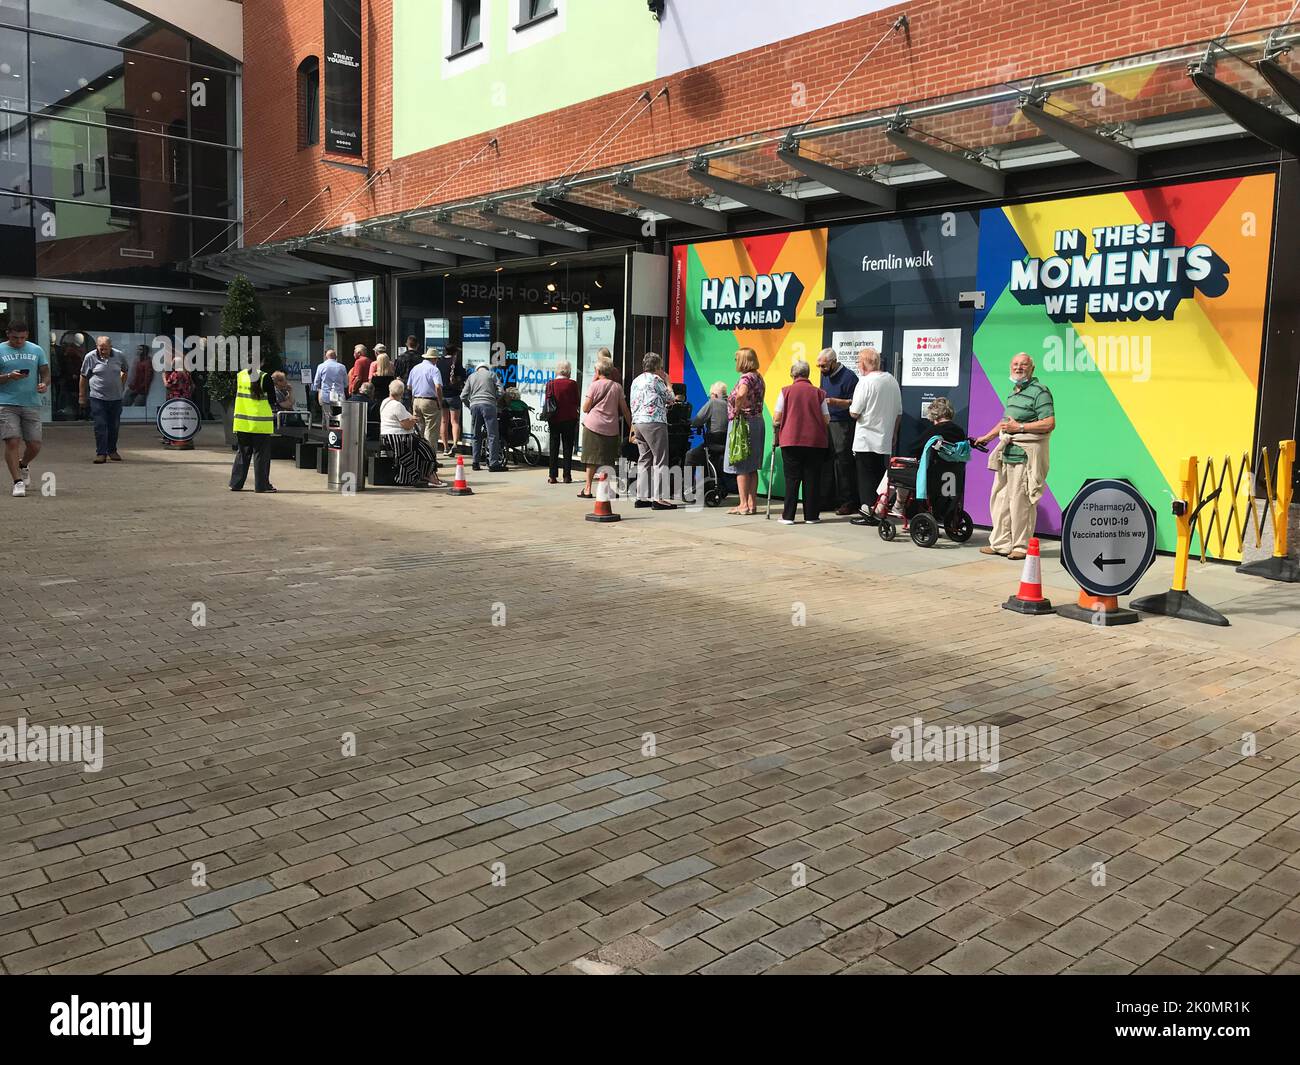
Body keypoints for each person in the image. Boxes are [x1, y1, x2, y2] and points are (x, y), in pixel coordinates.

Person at [974, 352, 1055, 560]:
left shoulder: (1040, 391)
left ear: (1032, 369)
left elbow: (1049, 423)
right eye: (1015, 364)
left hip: (1025, 458)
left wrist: (1019, 427)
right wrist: (988, 437)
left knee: (1021, 504)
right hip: (1007, 455)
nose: (1018, 368)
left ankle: (1020, 546)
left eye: (1024, 365)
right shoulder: (1014, 393)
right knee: (1001, 501)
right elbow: (1004, 424)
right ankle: (1000, 543)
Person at [884, 397, 968, 521]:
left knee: (896, 470)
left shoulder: (936, 430)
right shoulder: (959, 431)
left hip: (932, 475)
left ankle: (891, 505)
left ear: (934, 414)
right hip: (951, 476)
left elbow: (914, 447)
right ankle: (894, 505)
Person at [847, 347, 902, 526]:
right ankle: (880, 510)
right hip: (884, 438)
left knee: (865, 478)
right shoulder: (892, 380)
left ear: (863, 364)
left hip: (865, 439)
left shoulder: (865, 382)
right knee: (880, 476)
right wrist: (893, 434)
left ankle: (867, 512)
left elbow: (855, 412)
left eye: (858, 362)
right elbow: (899, 412)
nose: (857, 365)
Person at [772, 359, 830, 525]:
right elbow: (827, 419)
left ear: (793, 374)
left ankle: (788, 516)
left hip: (791, 440)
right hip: (815, 442)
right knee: (812, 479)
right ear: (808, 374)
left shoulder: (785, 391)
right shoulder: (820, 393)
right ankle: (811, 516)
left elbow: (777, 417)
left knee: (792, 478)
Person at [0, 321, 50, 498]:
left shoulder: (36, 350)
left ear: (27, 335)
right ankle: (17, 482)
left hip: (31, 402)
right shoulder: (0, 350)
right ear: (8, 334)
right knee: (12, 441)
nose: (19, 341)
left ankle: (23, 464)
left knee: (35, 444)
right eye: (15, 338)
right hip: (6, 403)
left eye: (22, 338)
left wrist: (44, 383)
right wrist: (8, 376)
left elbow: (45, 371)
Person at [628, 352, 678, 510]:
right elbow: (670, 399)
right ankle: (659, 498)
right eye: (661, 367)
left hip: (638, 422)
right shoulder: (656, 379)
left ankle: (642, 497)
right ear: (657, 367)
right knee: (660, 458)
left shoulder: (636, 380)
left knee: (645, 458)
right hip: (654, 421)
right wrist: (669, 383)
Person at [579, 356, 631, 499]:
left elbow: (585, 408)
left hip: (593, 426)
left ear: (598, 370)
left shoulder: (594, 385)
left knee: (591, 459)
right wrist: (631, 426)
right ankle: (606, 489)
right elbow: (625, 410)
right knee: (608, 460)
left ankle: (588, 489)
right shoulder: (617, 387)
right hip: (611, 428)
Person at [816, 348, 860, 515]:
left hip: (842, 423)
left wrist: (835, 402)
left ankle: (848, 501)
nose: (821, 369)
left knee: (843, 462)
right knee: (827, 461)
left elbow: (854, 402)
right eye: (819, 366)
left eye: (824, 366)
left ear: (834, 362)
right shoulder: (825, 376)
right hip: (827, 421)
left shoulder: (849, 378)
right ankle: (827, 499)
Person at [724, 347, 766, 516]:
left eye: (737, 359)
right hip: (757, 422)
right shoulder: (758, 377)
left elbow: (741, 394)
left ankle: (742, 505)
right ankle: (752, 503)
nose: (735, 362)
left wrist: (736, 409)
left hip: (744, 424)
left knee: (741, 464)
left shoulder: (746, 378)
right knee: (752, 467)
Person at [381, 378, 443, 488]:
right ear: (402, 392)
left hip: (387, 436)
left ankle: (425, 475)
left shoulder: (385, 402)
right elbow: (406, 425)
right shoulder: (397, 405)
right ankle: (429, 475)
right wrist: (414, 420)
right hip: (398, 437)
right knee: (426, 449)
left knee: (421, 447)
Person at [78, 336, 128, 464]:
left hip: (116, 398)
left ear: (111, 347)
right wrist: (82, 396)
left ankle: (112, 450)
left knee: (114, 426)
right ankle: (101, 453)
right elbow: (83, 376)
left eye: (106, 349)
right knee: (100, 425)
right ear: (97, 347)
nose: (103, 352)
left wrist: (120, 385)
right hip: (97, 397)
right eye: (101, 349)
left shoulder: (119, 356)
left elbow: (125, 371)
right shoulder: (90, 357)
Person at [229, 361, 276, 493]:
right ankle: (262, 486)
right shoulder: (265, 377)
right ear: (261, 362)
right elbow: (272, 400)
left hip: (242, 422)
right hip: (260, 424)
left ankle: (235, 484)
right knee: (261, 455)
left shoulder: (240, 376)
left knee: (242, 453)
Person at [405, 348, 446, 487]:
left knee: (418, 433)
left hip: (416, 400)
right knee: (431, 433)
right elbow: (438, 386)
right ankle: (429, 466)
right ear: (434, 359)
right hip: (430, 400)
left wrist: (412, 402)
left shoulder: (415, 368)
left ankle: (418, 462)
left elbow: (409, 387)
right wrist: (440, 402)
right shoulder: (434, 370)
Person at [462, 361, 504, 471]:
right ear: (487, 368)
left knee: (476, 434)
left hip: (475, 406)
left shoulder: (471, 377)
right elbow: (501, 390)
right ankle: (493, 463)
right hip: (489, 405)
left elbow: (463, 396)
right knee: (493, 434)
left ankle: (475, 462)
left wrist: (469, 406)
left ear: (478, 369)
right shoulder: (492, 374)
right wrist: (495, 399)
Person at [543, 359, 580, 484]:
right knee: (568, 447)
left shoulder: (550, 383)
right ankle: (567, 476)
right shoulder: (572, 384)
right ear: (568, 371)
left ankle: (552, 476)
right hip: (569, 418)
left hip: (554, 418)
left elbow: (547, 401)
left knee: (554, 446)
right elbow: (576, 401)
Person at [436, 344, 466, 455]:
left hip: (442, 394)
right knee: (455, 421)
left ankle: (445, 447)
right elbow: (463, 376)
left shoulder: (439, 362)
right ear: (455, 352)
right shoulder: (455, 363)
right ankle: (454, 444)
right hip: (453, 394)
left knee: (444, 421)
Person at [312, 348, 349, 414]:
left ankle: (327, 423)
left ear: (326, 357)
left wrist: (317, 389)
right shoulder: (342, 367)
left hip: (325, 395)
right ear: (336, 357)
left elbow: (316, 382)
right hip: (339, 396)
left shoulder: (321, 366)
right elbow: (346, 383)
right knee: (340, 416)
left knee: (326, 416)